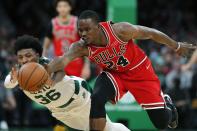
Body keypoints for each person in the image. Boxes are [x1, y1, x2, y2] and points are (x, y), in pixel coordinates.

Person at [47, 10, 197, 130]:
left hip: (139, 71)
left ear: (98, 27)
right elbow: (63, 60)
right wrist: (45, 69)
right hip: (114, 74)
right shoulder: (80, 47)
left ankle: (167, 103)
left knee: (162, 123)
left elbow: (151, 33)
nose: (84, 34)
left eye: (87, 30)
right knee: (97, 97)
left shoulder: (120, 30)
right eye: (81, 31)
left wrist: (176, 46)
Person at [4, 35, 130, 131]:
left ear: (37, 54)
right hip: (61, 113)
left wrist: (52, 81)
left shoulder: (47, 64)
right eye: (20, 57)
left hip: (80, 99)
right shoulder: (19, 73)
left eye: (28, 55)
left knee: (106, 128)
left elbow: (61, 72)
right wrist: (13, 79)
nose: (25, 60)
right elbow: (7, 84)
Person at [42, 0, 90, 79]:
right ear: (56, 8)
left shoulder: (77, 22)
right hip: (60, 66)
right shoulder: (52, 24)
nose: (62, 9)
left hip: (77, 65)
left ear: (70, 7)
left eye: (65, 6)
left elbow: (86, 45)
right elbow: (45, 47)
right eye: (60, 6)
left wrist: (86, 66)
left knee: (77, 90)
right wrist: (44, 64)